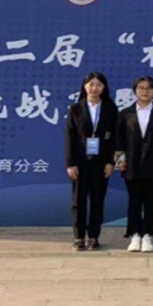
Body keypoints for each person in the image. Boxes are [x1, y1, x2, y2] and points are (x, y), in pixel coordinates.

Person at [114, 76, 153, 252]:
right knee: (134, 201)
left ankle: (148, 235)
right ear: (135, 91)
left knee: (150, 201)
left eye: (148, 88)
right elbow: (119, 139)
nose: (145, 91)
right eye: (141, 87)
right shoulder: (125, 113)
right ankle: (134, 235)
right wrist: (120, 160)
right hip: (131, 164)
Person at [64, 71, 118, 251]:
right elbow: (69, 137)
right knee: (78, 201)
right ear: (85, 86)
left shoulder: (110, 109)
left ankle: (94, 236)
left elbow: (114, 139)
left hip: (101, 163)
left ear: (104, 88)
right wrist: (70, 163)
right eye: (91, 84)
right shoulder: (75, 109)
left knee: (97, 201)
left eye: (99, 85)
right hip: (80, 163)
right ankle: (78, 237)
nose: (95, 88)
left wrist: (111, 162)